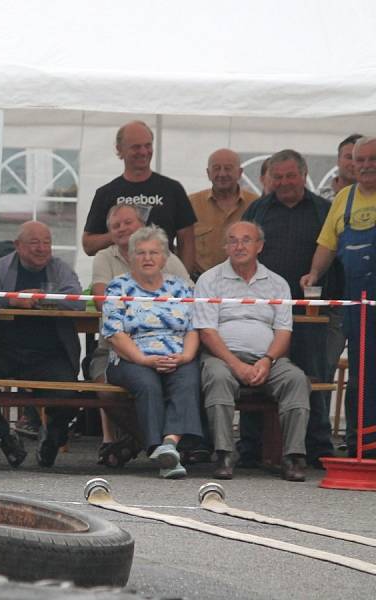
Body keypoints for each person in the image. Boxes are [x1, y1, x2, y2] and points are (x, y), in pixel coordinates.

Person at [0, 221, 84, 468]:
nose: (42, 248)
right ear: (18, 246)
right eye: (34, 242)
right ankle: (5, 435)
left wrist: (44, 301)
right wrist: (13, 301)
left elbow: (78, 301)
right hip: (3, 350)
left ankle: (52, 439)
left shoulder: (61, 269)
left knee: (71, 394)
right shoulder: (2, 268)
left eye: (47, 242)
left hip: (49, 354)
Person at [195, 221, 310, 482]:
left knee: (296, 380)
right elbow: (207, 332)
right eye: (233, 240)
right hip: (222, 357)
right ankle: (225, 453)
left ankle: (293, 457)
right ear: (225, 246)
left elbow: (283, 332)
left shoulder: (277, 283)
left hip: (268, 358)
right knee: (218, 377)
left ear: (260, 246)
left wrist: (267, 361)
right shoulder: (209, 280)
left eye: (246, 240)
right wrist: (237, 365)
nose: (239, 246)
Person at [242, 149, 335, 467]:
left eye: (290, 176)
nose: (283, 183)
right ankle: (251, 449)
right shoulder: (258, 209)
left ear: (304, 173)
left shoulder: (323, 210)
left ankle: (318, 447)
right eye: (277, 177)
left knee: (314, 377)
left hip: (309, 314)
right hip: (264, 314)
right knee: (258, 376)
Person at [89, 205, 192, 467]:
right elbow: (115, 333)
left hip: (175, 354)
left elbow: (194, 327)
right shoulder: (118, 286)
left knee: (189, 377)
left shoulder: (180, 287)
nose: (147, 258)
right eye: (141, 253)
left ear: (165, 257)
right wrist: (144, 360)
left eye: (154, 253)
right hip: (131, 357)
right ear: (131, 257)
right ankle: (157, 448)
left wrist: (183, 357)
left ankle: (170, 444)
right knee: (147, 383)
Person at [302, 136, 376, 458]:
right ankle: (360, 444)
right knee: (360, 373)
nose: (366, 165)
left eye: (372, 159)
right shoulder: (344, 198)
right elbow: (327, 245)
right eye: (360, 160)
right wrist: (314, 274)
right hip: (355, 300)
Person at [82, 120, 196, 274]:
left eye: (148, 145)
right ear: (119, 150)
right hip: (119, 279)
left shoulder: (172, 189)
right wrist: (118, 234)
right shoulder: (106, 193)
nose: (143, 152)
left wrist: (181, 281)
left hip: (163, 280)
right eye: (136, 147)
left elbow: (187, 242)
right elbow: (88, 245)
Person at [189, 149, 258, 278]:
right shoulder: (192, 203)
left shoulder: (256, 204)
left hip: (245, 282)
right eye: (216, 168)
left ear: (240, 173)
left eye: (228, 168)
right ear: (208, 173)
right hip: (199, 283)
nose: (222, 173)